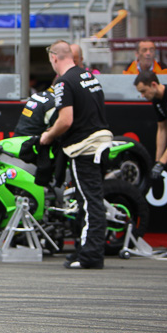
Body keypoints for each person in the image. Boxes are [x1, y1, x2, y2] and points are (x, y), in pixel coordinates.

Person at [40, 40, 112, 270]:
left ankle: (91, 255)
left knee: (90, 202)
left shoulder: (63, 82)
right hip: (100, 142)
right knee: (85, 201)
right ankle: (83, 251)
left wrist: (48, 136)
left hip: (86, 148)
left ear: (54, 58)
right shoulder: (89, 76)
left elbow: (66, 120)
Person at [133, 70, 167, 181]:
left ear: (153, 85)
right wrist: (157, 161)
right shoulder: (156, 100)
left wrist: (162, 162)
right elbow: (162, 129)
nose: (142, 95)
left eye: (144, 91)